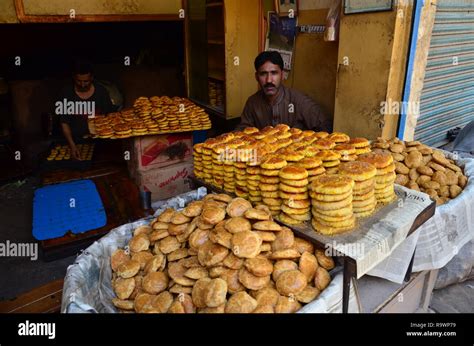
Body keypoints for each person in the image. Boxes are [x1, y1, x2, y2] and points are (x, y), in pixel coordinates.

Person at [236, 51, 332, 132]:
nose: (269, 80)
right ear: (256, 77)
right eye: (263, 74)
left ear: (282, 75)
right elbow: (241, 132)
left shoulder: (298, 101)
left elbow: (325, 126)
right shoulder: (252, 103)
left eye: (274, 73)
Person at [59, 60, 115, 160]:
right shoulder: (66, 93)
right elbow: (64, 122)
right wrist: (72, 146)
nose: (82, 85)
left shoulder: (101, 92)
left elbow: (110, 117)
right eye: (79, 81)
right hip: (76, 141)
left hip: (100, 142)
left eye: (86, 81)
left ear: (92, 78)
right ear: (74, 78)